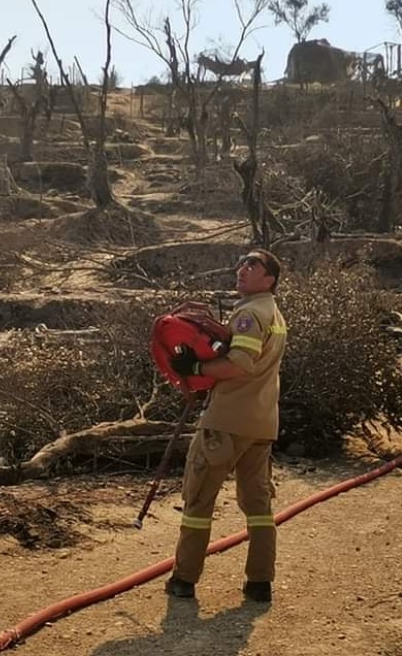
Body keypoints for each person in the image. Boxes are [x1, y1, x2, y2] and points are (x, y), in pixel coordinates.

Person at [165, 248, 287, 604]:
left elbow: (239, 365)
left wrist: (196, 369)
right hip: (261, 424)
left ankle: (184, 579)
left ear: (270, 279)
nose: (242, 269)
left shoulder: (249, 314)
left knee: (199, 499)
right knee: (258, 506)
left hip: (227, 423)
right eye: (241, 263)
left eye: (253, 265)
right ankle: (260, 583)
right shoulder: (274, 313)